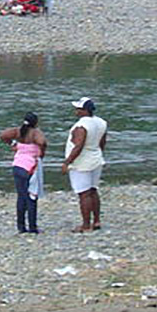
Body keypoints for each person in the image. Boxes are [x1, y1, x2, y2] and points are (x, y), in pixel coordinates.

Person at [61, 97, 108, 233]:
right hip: (96, 159)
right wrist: (98, 153)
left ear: (84, 111)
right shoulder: (101, 123)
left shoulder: (81, 126)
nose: (76, 111)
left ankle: (86, 225)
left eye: (78, 109)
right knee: (93, 190)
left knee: (83, 193)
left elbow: (78, 146)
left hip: (81, 163)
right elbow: (102, 142)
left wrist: (67, 162)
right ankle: (97, 220)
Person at [0, 112, 47, 234]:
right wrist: (42, 152)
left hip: (17, 165)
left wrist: (13, 144)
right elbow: (42, 142)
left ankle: (21, 226)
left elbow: (3, 135)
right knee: (31, 197)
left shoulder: (18, 131)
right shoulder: (35, 133)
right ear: (36, 123)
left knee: (21, 196)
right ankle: (32, 227)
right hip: (31, 167)